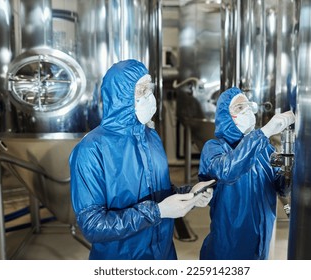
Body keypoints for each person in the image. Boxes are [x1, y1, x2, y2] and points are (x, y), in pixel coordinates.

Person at [69, 59, 214, 260]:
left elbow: (159, 191)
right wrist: (157, 212)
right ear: (121, 95)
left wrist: (189, 194)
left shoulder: (150, 136)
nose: (149, 96)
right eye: (141, 90)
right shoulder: (91, 149)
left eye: (150, 89)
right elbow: (93, 225)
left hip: (163, 253)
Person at [198, 87, 295, 260]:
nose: (247, 111)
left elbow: (281, 188)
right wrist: (264, 132)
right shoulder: (214, 148)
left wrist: (290, 169)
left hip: (261, 241)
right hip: (228, 245)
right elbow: (227, 171)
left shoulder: (264, 148)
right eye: (239, 108)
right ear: (225, 115)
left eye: (248, 106)